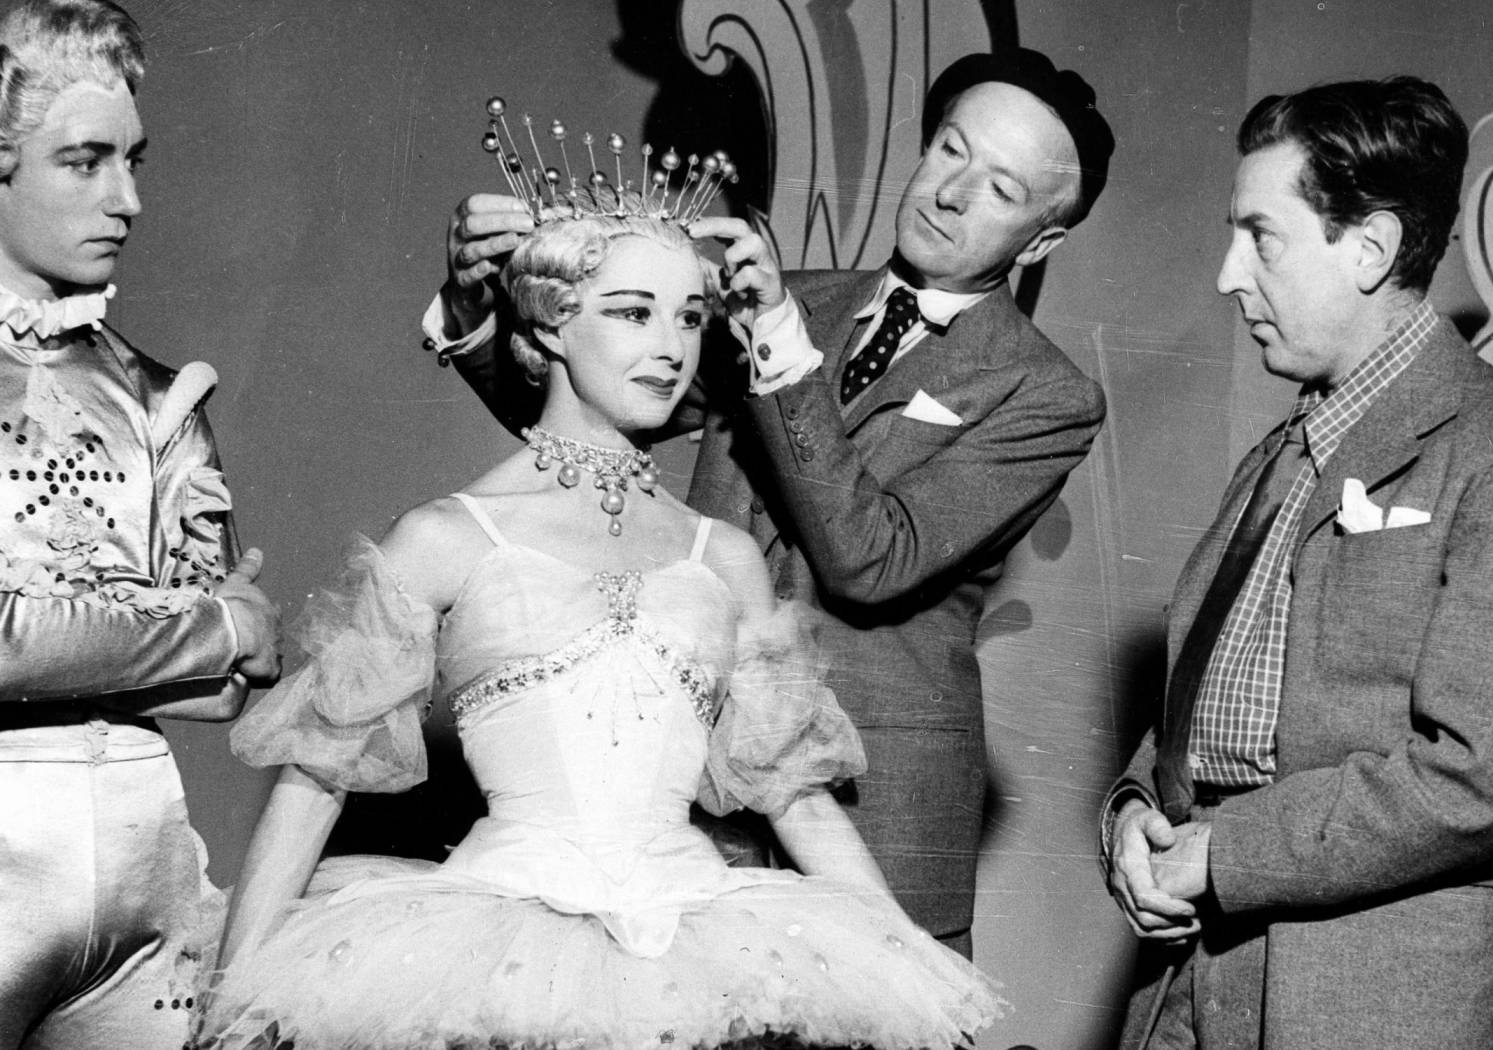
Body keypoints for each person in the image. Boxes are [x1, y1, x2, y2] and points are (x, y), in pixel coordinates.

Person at [204, 204, 1004, 1050]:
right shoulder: (444, 535)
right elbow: (314, 782)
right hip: (495, 951)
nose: (671, 346)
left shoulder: (722, 555)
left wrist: (914, 977)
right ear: (550, 325)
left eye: (691, 317)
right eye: (631, 311)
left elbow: (797, 799)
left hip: (697, 941)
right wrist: (231, 1000)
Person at [424, 47, 1114, 956]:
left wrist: (780, 342)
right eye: (950, 150)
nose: (950, 192)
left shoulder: (1045, 392)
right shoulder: (798, 303)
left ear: (1042, 240)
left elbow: (873, 560)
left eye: (1000, 189)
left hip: (878, 804)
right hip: (692, 782)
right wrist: (479, 305)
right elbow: (587, 406)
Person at [1099, 76, 1493, 1049]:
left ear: (1369, 247)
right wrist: (1131, 819)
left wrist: (1225, 854)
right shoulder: (1278, 455)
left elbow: (1481, 776)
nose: (1225, 276)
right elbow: (1194, 716)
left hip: (1365, 1001)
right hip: (1187, 982)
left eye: (1262, 237)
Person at [0, 1, 282, 1047]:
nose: (126, 198)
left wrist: (202, 642)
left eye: (135, 161)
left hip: (145, 877)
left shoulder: (158, 394)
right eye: (84, 161)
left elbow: (226, 693)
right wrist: (211, 623)